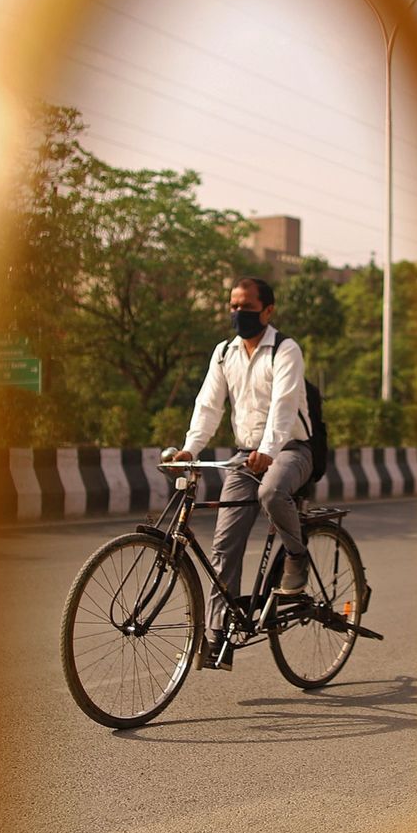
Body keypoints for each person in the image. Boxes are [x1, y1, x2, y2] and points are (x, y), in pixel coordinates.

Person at [173, 276, 313, 671]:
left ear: (267, 311)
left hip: (290, 451)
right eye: (233, 306)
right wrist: (190, 448)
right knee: (223, 547)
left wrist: (268, 452)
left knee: (271, 493)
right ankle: (220, 636)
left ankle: (296, 556)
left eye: (247, 308)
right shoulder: (224, 353)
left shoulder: (285, 350)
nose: (238, 314)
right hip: (244, 457)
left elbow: (284, 408)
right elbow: (208, 405)